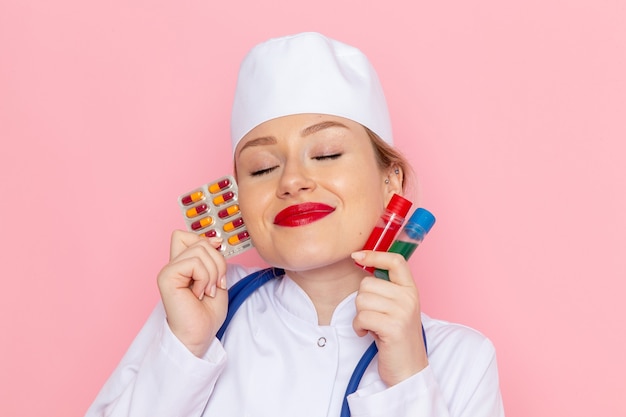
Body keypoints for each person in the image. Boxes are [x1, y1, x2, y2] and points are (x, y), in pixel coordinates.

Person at [86, 32, 505, 417]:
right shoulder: (196, 309)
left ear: (390, 181)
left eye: (325, 155)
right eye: (263, 167)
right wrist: (185, 348)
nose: (291, 182)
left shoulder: (460, 359)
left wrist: (408, 383)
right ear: (237, 202)